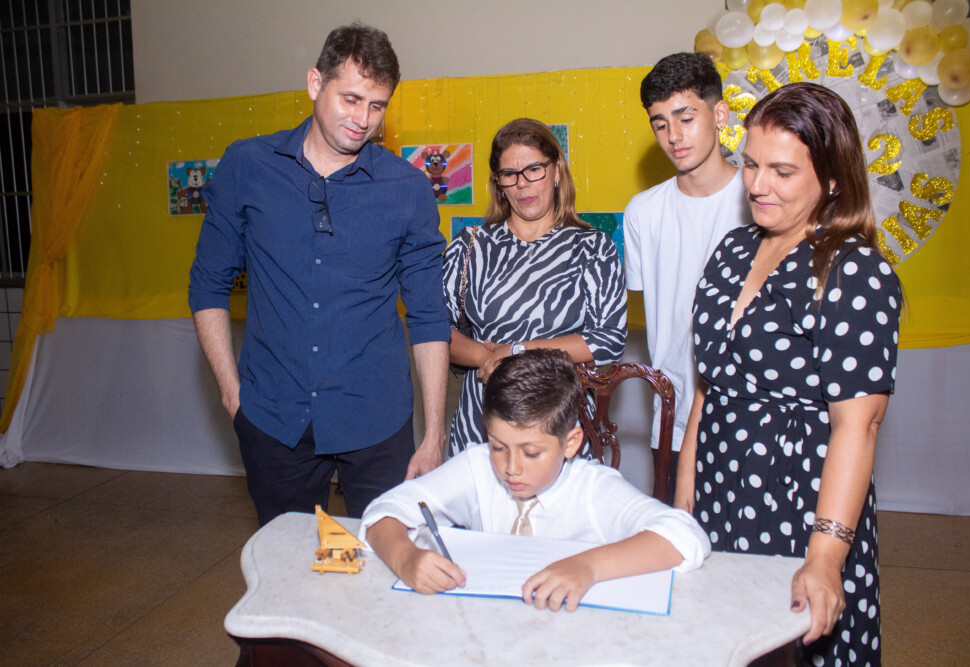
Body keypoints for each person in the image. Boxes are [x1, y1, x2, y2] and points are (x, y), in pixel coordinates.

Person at [188, 23, 450, 526]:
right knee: (288, 563)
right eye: (351, 99)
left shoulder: (408, 189)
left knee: (388, 561)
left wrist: (434, 433)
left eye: (377, 106)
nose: (363, 120)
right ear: (315, 83)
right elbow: (207, 285)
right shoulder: (247, 166)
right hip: (273, 418)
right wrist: (231, 392)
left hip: (377, 419)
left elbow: (429, 316)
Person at [676, 82, 902, 665]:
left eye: (782, 171)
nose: (757, 185)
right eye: (751, 164)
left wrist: (825, 557)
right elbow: (707, 390)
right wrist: (682, 506)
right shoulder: (732, 250)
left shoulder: (852, 269)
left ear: (832, 178)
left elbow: (859, 425)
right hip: (720, 484)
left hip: (799, 501)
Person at [360, 349, 710, 610]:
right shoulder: (477, 467)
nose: (511, 467)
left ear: (570, 443)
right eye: (498, 447)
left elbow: (684, 534)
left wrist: (587, 566)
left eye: (530, 453)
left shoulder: (591, 487)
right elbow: (384, 510)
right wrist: (406, 558)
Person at [442, 118, 626, 455]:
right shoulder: (470, 245)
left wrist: (518, 351)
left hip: (561, 425)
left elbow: (609, 340)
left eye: (534, 170)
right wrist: (490, 357)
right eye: (509, 174)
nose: (522, 184)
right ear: (498, 183)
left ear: (556, 171)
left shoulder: (593, 248)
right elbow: (438, 332)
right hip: (480, 425)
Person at [623, 52, 750, 494]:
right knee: (676, 531)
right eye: (660, 124)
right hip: (673, 417)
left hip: (752, 411)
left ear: (720, 114)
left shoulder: (759, 202)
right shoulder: (643, 211)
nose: (673, 136)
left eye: (686, 118)